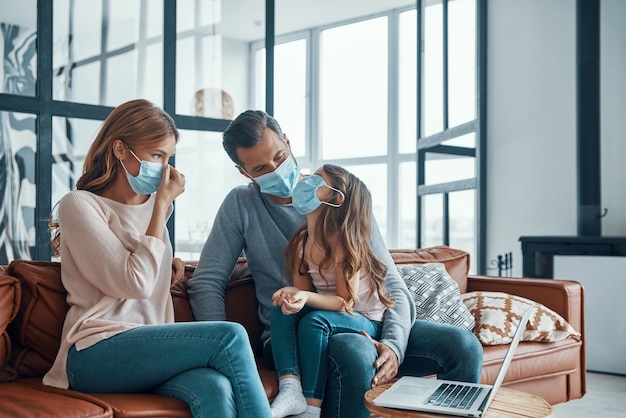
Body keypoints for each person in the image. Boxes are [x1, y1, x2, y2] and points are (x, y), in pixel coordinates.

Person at [187, 110, 483, 417]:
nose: (276, 170)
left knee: (463, 346)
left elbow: (390, 281)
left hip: (362, 321)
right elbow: (206, 282)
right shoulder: (241, 204)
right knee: (353, 350)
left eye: (279, 156)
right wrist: (227, 351)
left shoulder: (339, 197)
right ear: (244, 172)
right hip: (294, 336)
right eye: (261, 168)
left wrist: (394, 346)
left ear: (288, 142)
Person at [43, 99, 271, 418]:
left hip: (148, 350)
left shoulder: (153, 208)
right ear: (120, 149)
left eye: (168, 157)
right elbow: (135, 282)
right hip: (94, 351)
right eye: (156, 155)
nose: (165, 168)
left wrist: (168, 260)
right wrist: (161, 207)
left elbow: (145, 274)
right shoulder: (79, 205)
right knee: (229, 335)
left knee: (214, 386)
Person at [269, 164, 396, 418]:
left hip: (365, 319)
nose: (305, 181)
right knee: (281, 307)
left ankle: (311, 408)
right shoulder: (302, 243)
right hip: (334, 314)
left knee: (315, 322)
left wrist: (304, 296)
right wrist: (293, 296)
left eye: (316, 180)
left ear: (335, 197)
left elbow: (345, 301)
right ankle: (291, 387)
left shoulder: (343, 243)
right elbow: (303, 298)